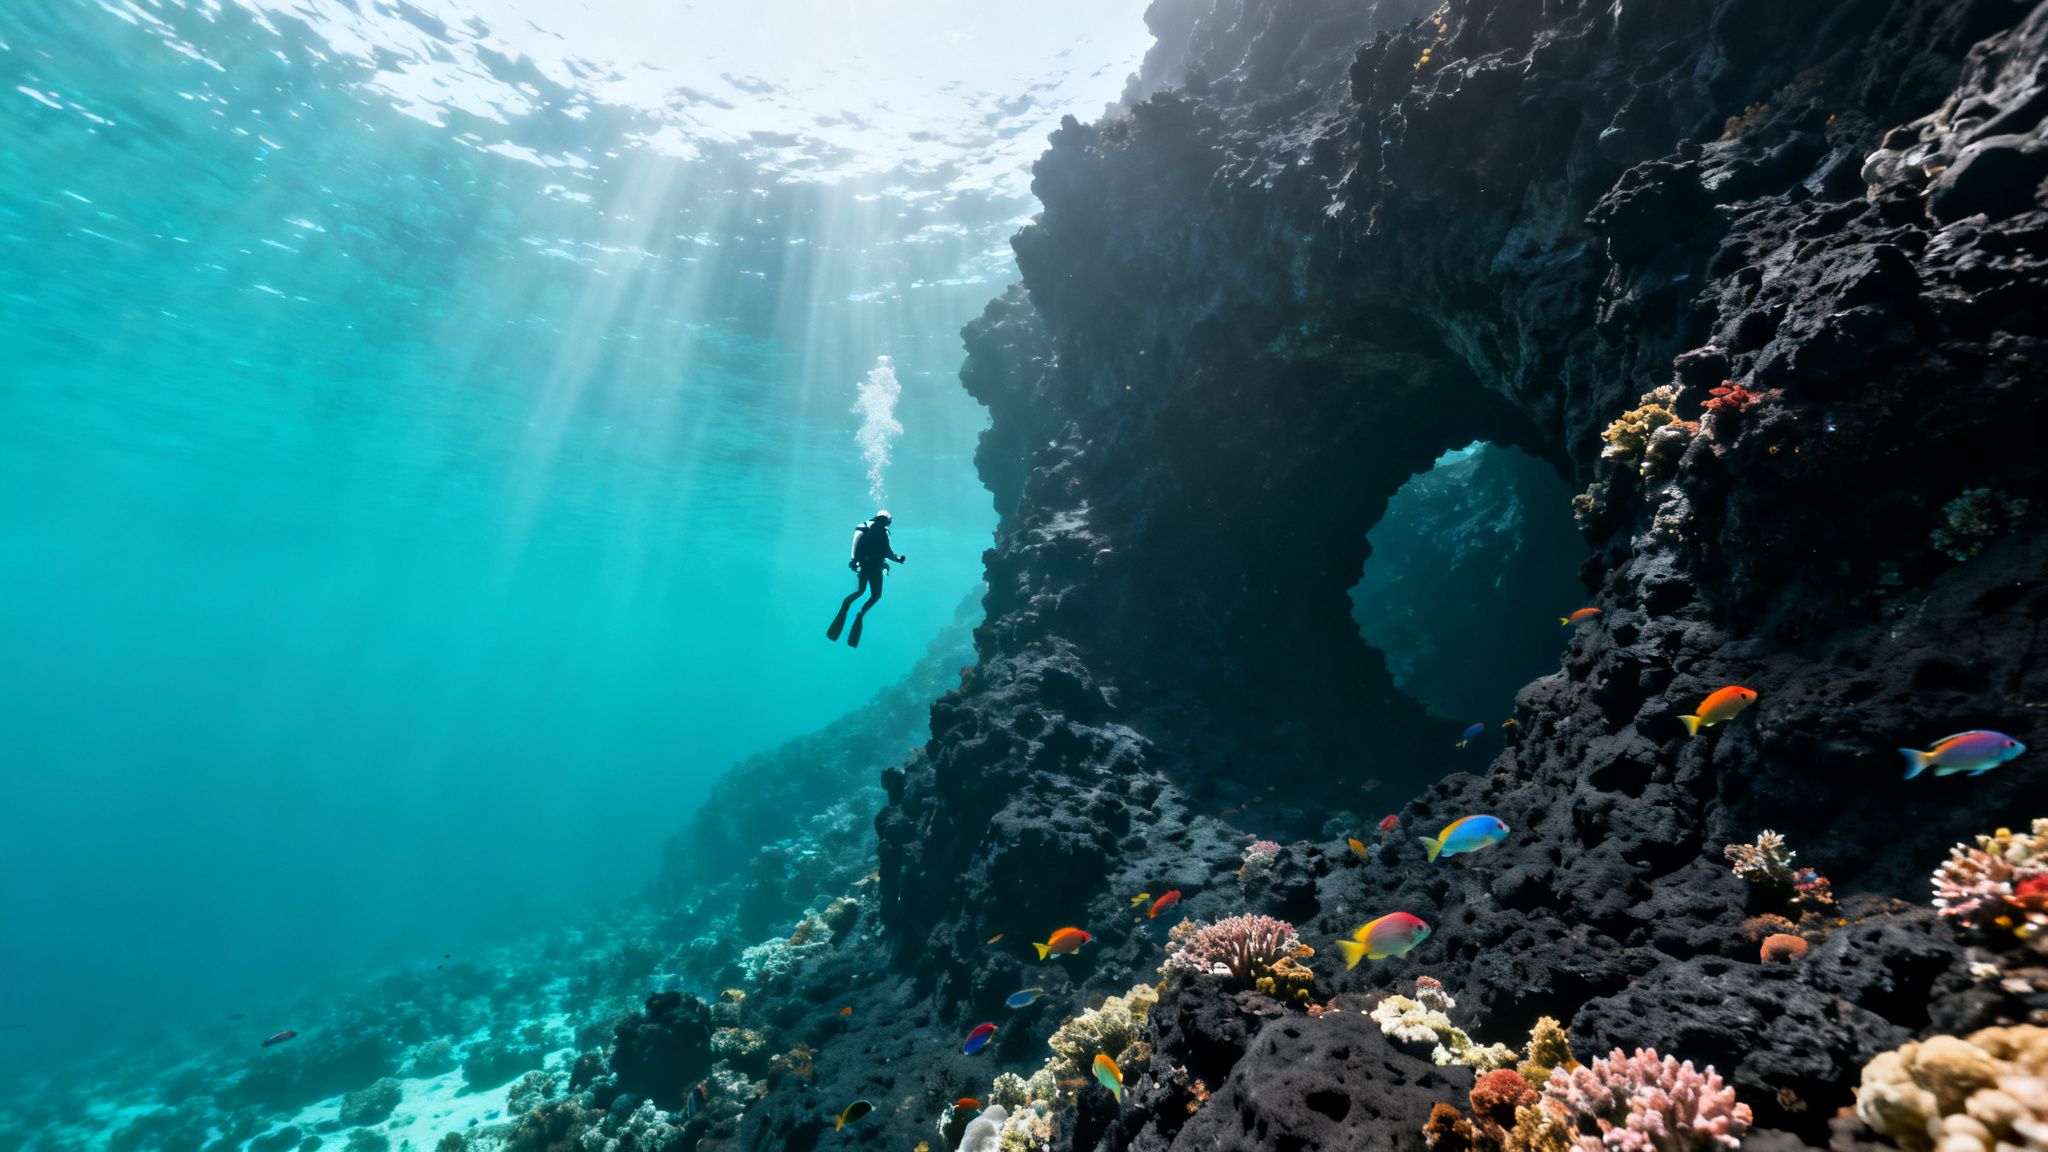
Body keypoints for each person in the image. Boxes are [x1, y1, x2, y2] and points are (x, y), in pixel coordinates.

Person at [827, 510, 906, 648]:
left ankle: (845, 606)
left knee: (861, 591)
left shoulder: (864, 526)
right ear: (888, 521)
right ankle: (860, 614)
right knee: (876, 595)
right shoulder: (884, 532)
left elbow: (855, 546)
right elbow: (888, 553)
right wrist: (899, 559)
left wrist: (854, 561)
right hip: (875, 568)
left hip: (863, 566)